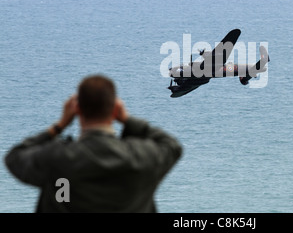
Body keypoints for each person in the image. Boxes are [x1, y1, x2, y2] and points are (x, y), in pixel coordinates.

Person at [4, 74, 182, 212]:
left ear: (77, 110)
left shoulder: (56, 158)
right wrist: (128, 121)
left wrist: (58, 127)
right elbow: (171, 146)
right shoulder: (140, 158)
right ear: (115, 109)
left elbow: (14, 157)